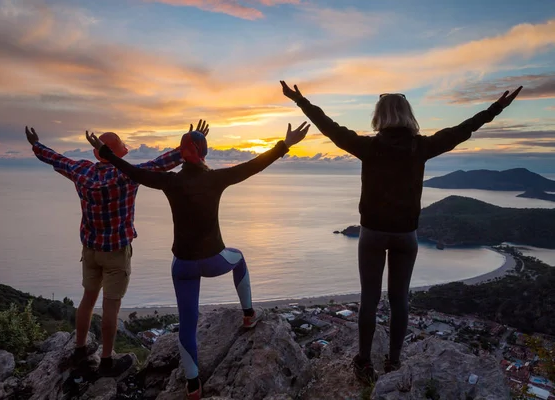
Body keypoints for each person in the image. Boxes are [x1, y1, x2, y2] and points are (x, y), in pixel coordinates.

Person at [280, 81, 523, 383]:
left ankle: (364, 362)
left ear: (379, 116)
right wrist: (497, 108)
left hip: (372, 233)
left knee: (369, 299)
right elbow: (464, 129)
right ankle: (393, 362)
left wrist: (300, 100)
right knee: (399, 300)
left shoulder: (368, 147)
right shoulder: (421, 147)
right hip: (406, 236)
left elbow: (328, 126)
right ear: (408, 115)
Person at [86, 121, 310, 399]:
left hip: (183, 265)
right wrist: (284, 145)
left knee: (187, 323)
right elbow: (253, 165)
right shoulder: (215, 178)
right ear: (203, 153)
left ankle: (193, 385)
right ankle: (249, 315)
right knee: (238, 258)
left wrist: (106, 154)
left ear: (182, 154)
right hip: (214, 260)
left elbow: (132, 171)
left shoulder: (170, 181)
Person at [25, 123, 204, 376]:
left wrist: (36, 145)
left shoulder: (82, 171)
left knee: (88, 299)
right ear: (118, 153)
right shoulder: (127, 175)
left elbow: (58, 160)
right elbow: (161, 164)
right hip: (117, 251)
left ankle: (79, 348)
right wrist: (190, 144)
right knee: (111, 307)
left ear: (97, 153)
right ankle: (107, 362)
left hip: (90, 249)